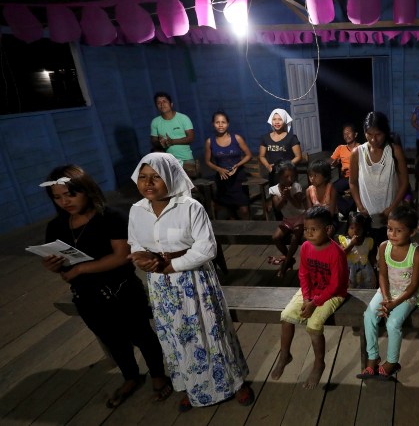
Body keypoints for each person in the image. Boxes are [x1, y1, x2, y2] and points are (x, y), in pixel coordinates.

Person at [126, 152, 252, 412]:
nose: (148, 183)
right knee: (176, 337)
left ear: (171, 178)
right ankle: (193, 386)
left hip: (193, 281)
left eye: (156, 177)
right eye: (143, 177)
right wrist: (140, 259)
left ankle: (235, 382)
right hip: (161, 285)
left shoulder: (190, 207)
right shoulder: (136, 210)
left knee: (210, 331)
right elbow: (136, 243)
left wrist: (172, 265)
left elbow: (207, 249)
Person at [38, 165, 171, 409]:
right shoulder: (56, 226)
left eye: (70, 194)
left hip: (121, 290)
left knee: (141, 335)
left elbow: (121, 256)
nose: (65, 202)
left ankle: (158, 375)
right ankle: (131, 377)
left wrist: (79, 269)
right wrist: (55, 266)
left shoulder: (110, 217)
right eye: (57, 197)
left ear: (87, 190)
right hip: (86, 296)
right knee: (112, 339)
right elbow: (62, 265)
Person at [270, 206, 348, 389]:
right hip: (310, 292)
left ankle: (319, 363)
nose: (309, 233)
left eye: (314, 229)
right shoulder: (305, 247)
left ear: (328, 230)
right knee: (286, 316)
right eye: (306, 229)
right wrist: (306, 299)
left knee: (313, 326)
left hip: (333, 294)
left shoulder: (336, 253)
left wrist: (315, 303)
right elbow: (303, 274)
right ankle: (284, 354)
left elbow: (336, 285)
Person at [357, 205, 419, 381]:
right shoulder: (384, 247)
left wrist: (394, 303)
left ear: (411, 232)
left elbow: (414, 285)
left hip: (407, 295)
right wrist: (386, 298)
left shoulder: (416, 253)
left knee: (393, 324)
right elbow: (382, 275)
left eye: (398, 230)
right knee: (369, 315)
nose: (392, 234)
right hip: (387, 291)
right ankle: (373, 357)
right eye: (389, 229)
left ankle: (392, 362)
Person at [349, 111, 410, 249]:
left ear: (385, 133)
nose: (373, 139)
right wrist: (360, 206)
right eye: (369, 134)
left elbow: (404, 183)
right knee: (368, 251)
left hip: (390, 214)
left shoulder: (394, 151)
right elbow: (352, 183)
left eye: (378, 135)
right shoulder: (357, 153)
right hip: (366, 215)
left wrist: (391, 208)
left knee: (390, 249)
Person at [204, 110, 253, 220]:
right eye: (217, 122)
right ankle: (235, 232)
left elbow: (248, 155)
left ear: (228, 124)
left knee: (244, 210)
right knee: (227, 209)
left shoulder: (237, 138)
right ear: (213, 124)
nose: (220, 125)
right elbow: (207, 161)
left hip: (238, 176)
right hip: (222, 178)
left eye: (223, 122)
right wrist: (219, 169)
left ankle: (249, 231)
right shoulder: (209, 141)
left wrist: (237, 165)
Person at [267, 160, 306, 278]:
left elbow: (299, 205)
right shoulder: (273, 190)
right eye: (286, 176)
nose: (290, 179)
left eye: (292, 176)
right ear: (279, 177)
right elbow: (278, 208)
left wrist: (289, 196)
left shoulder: (296, 186)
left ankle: (285, 265)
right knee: (276, 237)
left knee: (295, 238)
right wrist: (284, 198)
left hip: (300, 217)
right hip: (287, 219)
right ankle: (289, 259)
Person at [150, 91, 197, 177]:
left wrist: (172, 141)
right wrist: (160, 143)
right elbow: (153, 141)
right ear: (156, 106)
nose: (162, 104)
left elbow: (191, 138)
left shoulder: (183, 118)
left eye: (164, 101)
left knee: (189, 184)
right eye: (158, 103)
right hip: (168, 161)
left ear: (171, 104)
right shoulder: (155, 122)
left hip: (186, 159)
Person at [259, 107, 302, 187]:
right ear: (271, 121)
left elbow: (298, 157)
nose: (277, 122)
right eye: (274, 119)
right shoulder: (265, 138)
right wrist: (267, 166)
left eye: (280, 119)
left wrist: (286, 166)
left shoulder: (292, 138)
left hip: (289, 173)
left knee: (291, 196)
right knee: (276, 197)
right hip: (273, 173)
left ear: (285, 121)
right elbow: (261, 156)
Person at [329, 123, 360, 219]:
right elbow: (330, 161)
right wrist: (334, 162)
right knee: (332, 188)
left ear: (355, 134)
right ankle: (345, 211)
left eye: (349, 133)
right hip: (346, 177)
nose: (346, 136)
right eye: (344, 134)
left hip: (359, 177)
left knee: (356, 189)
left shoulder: (361, 148)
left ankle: (349, 212)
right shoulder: (340, 148)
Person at [338, 211, 376, 289]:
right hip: (350, 270)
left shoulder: (368, 241)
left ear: (363, 229)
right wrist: (351, 244)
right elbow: (341, 254)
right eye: (352, 228)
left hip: (365, 269)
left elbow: (371, 255)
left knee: (366, 288)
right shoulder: (345, 241)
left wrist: (375, 264)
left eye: (358, 229)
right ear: (347, 228)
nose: (355, 231)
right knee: (351, 288)